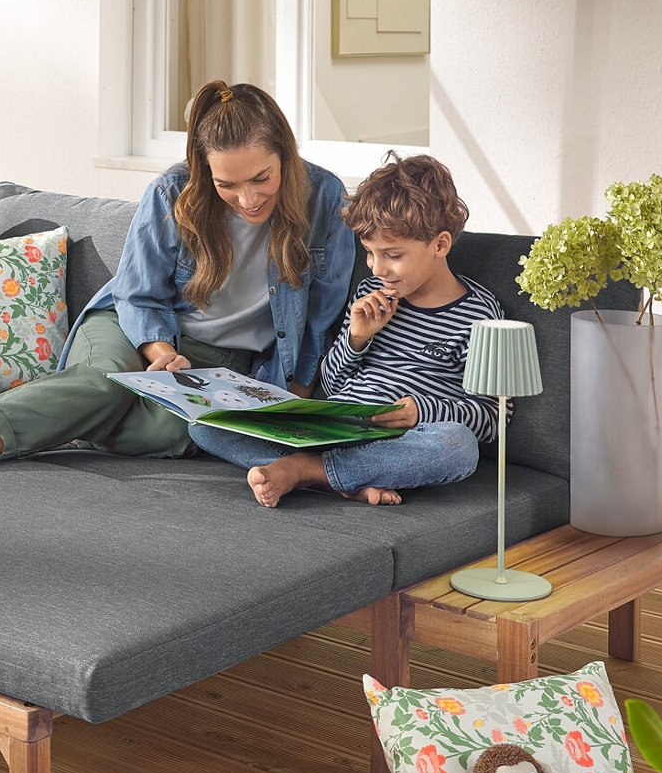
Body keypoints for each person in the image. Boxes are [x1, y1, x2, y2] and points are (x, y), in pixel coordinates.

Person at [0, 80, 352, 503]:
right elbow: (137, 295)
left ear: (285, 152)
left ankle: (26, 405)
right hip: (136, 330)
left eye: (261, 178)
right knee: (101, 385)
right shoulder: (174, 192)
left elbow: (319, 322)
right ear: (203, 169)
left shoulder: (326, 200)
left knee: (177, 436)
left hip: (226, 361)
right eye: (227, 184)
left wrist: (292, 404)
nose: (247, 198)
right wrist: (162, 352)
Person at [192, 153, 498, 508]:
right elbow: (334, 386)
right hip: (334, 430)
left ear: (440, 245)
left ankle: (303, 473)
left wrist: (422, 411)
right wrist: (356, 339)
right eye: (369, 253)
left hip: (402, 442)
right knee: (204, 424)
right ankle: (339, 480)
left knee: (458, 446)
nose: (377, 267)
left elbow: (491, 417)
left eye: (393, 254)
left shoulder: (481, 316)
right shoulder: (370, 294)